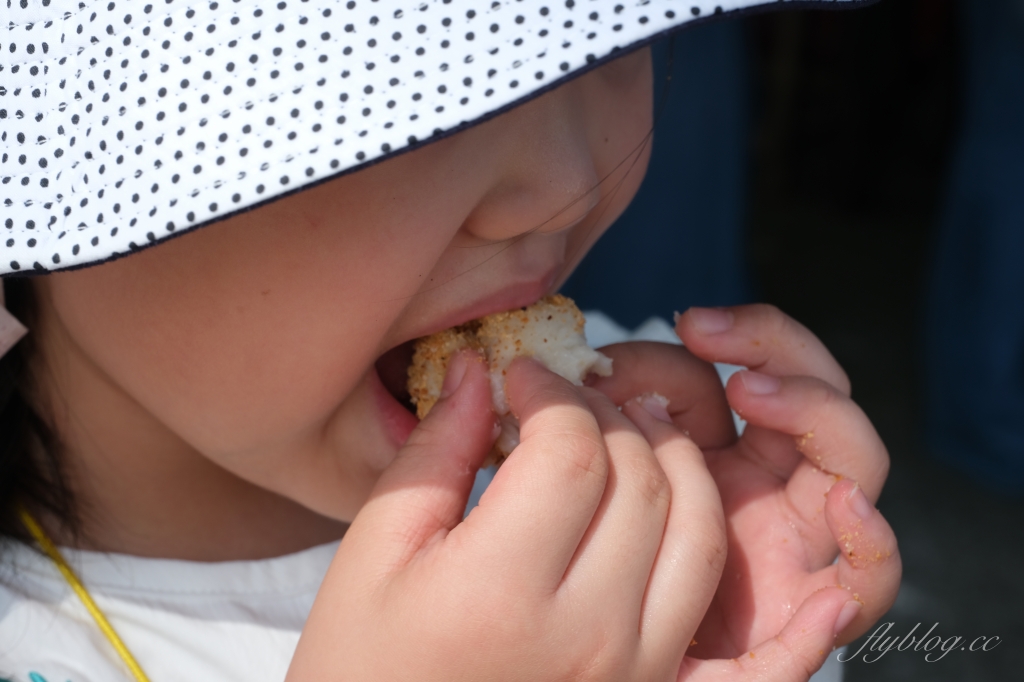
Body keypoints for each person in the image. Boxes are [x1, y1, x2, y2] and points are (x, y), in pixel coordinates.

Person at [0, 1, 900, 680]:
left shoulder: (660, 438)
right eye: (377, 87)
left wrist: (714, 613)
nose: (567, 186)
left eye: (610, 38)